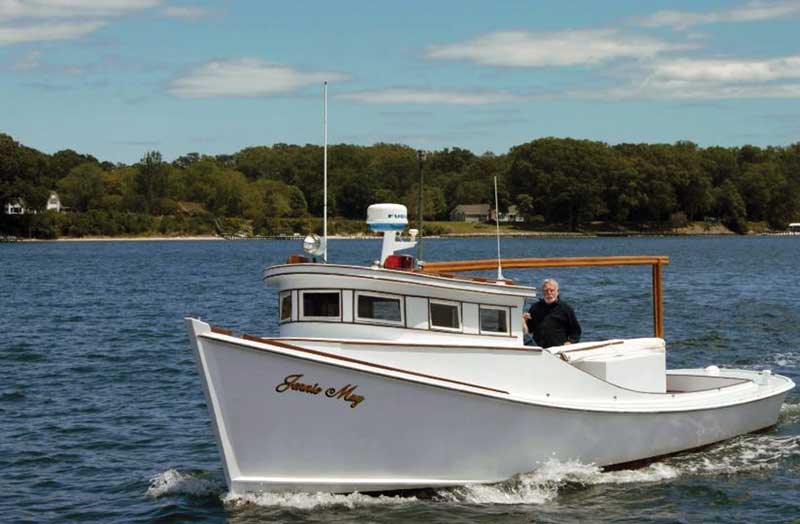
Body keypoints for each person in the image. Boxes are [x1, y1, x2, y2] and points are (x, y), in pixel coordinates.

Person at [522, 278, 581, 348]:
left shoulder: (566, 309)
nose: (549, 293)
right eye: (546, 290)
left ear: (557, 292)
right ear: (542, 292)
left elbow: (576, 331)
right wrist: (524, 321)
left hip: (558, 350)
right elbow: (529, 329)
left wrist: (570, 342)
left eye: (552, 290)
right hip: (539, 348)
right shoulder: (535, 307)